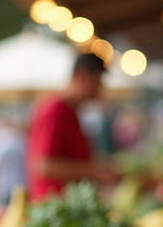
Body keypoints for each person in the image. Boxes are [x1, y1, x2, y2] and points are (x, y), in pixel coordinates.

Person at [25, 53, 119, 201]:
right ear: (82, 77)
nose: (101, 87)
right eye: (98, 81)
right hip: (54, 206)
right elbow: (44, 166)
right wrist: (95, 172)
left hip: (69, 204)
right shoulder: (54, 110)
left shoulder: (73, 112)